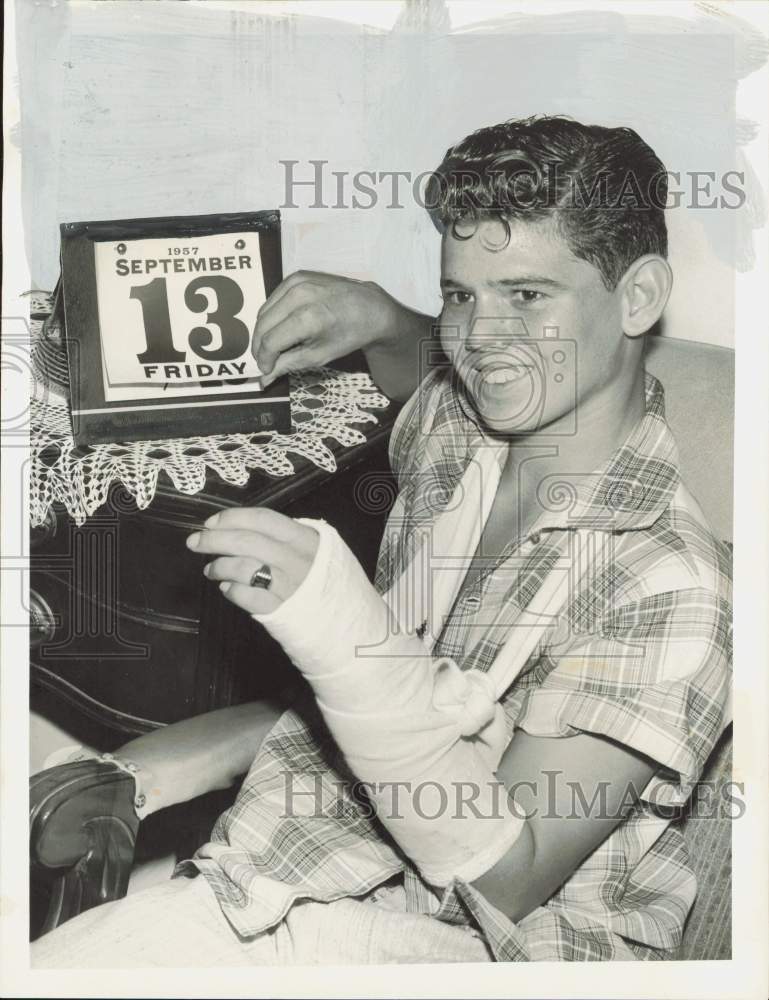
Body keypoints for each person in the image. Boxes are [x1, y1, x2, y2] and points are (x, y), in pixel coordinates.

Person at [32, 116, 731, 966]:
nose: (480, 337)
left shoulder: (673, 585)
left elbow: (500, 877)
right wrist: (383, 316)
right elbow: (426, 372)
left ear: (639, 296)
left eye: (528, 296)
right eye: (460, 293)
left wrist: (348, 641)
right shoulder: (462, 434)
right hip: (296, 867)